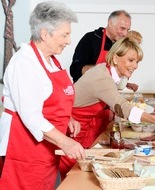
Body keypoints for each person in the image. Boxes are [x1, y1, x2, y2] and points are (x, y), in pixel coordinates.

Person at [59, 37, 155, 179]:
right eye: (131, 60)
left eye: (137, 61)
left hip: (80, 131)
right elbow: (122, 107)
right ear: (115, 59)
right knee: (74, 180)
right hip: (71, 132)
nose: (135, 66)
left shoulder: (107, 72)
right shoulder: (102, 77)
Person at [0, 2, 85, 189]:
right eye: (65, 35)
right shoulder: (25, 63)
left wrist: (67, 118)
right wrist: (66, 143)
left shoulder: (53, 61)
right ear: (45, 34)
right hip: (23, 149)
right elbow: (31, 116)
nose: (69, 41)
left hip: (46, 150)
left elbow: (48, 100)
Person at [69, 10, 138, 92]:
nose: (125, 33)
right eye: (122, 28)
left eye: (127, 30)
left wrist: (124, 83)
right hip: (86, 95)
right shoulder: (91, 38)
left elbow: (114, 75)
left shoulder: (120, 45)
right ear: (110, 23)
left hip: (107, 96)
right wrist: (104, 70)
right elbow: (75, 70)